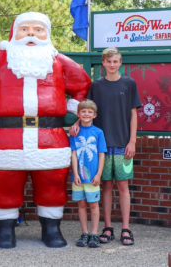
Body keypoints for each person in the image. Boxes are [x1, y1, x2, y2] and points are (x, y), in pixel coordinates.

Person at [0, 0, 92, 248]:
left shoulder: (58, 62)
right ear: (14, 32)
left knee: (52, 183)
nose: (31, 34)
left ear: (47, 34)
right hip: (7, 138)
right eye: (24, 29)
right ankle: (5, 231)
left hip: (49, 138)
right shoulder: (3, 58)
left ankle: (51, 229)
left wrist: (71, 110)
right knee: (5, 183)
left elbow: (83, 84)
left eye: (38, 30)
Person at [70, 47, 142, 246]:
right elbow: (87, 111)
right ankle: (107, 227)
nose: (112, 65)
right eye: (108, 62)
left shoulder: (129, 84)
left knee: (123, 186)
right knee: (106, 186)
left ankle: (126, 228)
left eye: (115, 61)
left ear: (120, 62)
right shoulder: (97, 86)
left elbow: (134, 114)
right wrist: (76, 123)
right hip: (98, 146)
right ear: (103, 63)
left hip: (122, 144)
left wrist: (132, 141)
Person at [70, 99, 106, 248]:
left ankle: (94, 234)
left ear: (94, 115)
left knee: (93, 205)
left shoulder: (98, 132)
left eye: (89, 112)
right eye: (83, 112)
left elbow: (101, 154)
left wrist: (98, 174)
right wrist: (75, 173)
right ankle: (84, 233)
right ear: (78, 114)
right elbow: (73, 153)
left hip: (92, 179)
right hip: (78, 178)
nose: (86, 114)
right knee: (82, 205)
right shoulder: (74, 132)